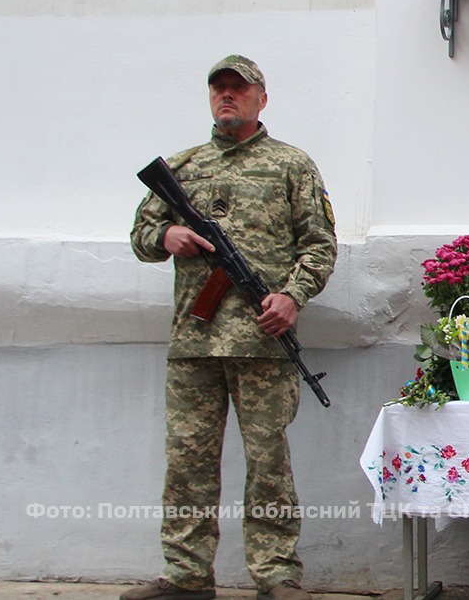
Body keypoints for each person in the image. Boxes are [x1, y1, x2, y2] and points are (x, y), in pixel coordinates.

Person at [125, 55, 337, 600]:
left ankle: (276, 575)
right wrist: (166, 235)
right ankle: (186, 575)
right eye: (219, 89)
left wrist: (292, 298)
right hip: (194, 342)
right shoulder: (182, 167)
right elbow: (140, 236)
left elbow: (319, 245)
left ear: (261, 98)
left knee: (268, 464)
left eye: (238, 90)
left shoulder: (292, 165)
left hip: (262, 342)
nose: (228, 97)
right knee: (188, 464)